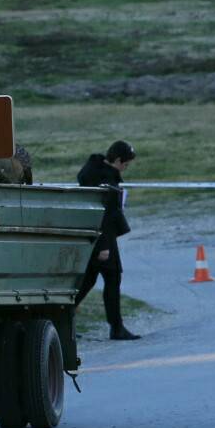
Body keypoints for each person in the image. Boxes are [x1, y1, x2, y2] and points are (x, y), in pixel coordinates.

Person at [76, 140, 139, 341]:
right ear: (118, 160)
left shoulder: (93, 172)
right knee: (112, 279)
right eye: (126, 164)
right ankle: (116, 327)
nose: (126, 169)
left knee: (88, 280)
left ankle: (64, 318)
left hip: (95, 236)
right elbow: (103, 215)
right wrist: (103, 247)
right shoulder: (106, 182)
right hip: (103, 238)